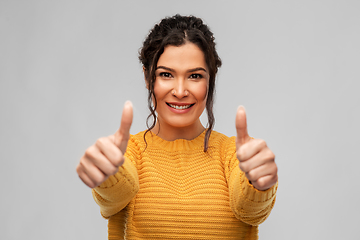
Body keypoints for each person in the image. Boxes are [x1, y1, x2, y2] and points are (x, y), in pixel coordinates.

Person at [76, 14, 278, 240]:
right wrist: (108, 173)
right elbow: (118, 192)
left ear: (210, 80)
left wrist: (258, 183)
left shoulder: (233, 154)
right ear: (147, 77)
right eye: (166, 75)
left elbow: (250, 210)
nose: (180, 91)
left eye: (194, 76)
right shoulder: (130, 153)